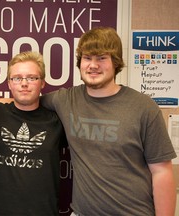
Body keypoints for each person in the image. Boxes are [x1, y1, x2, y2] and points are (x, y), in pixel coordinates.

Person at [40, 27, 177, 215]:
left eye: (102, 58)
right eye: (87, 58)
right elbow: (25, 101)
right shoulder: (66, 100)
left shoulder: (144, 107)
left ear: (116, 62)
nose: (93, 65)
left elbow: (162, 172)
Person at [0, 51, 66, 215]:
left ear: (42, 83)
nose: (24, 83)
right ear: (9, 83)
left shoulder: (57, 122)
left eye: (32, 78)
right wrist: (5, 101)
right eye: (17, 78)